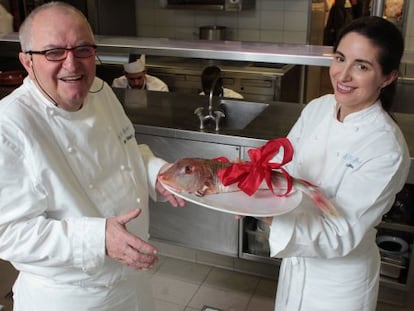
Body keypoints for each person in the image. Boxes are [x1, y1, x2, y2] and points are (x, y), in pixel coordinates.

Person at [0, 2, 184, 311]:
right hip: (71, 298)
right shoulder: (9, 126)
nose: (72, 64)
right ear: (26, 61)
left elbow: (124, 151)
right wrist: (97, 238)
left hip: (130, 282)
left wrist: (157, 173)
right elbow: (8, 233)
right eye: (53, 52)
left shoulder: (99, 90)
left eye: (83, 49)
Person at [266, 16, 410, 310]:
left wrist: (267, 216)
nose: (342, 76)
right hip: (297, 266)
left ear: (387, 77)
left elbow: (339, 234)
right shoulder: (318, 108)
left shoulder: (386, 148)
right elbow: (285, 171)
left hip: (339, 283)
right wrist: (250, 192)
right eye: (340, 58)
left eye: (361, 66)